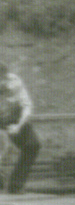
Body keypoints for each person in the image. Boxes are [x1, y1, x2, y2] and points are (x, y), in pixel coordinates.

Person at [0, 61, 40, 194]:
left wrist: (18, 126)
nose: (3, 83)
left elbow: (26, 105)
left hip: (15, 117)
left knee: (33, 144)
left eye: (4, 79)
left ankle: (16, 185)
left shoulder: (14, 81)